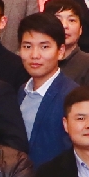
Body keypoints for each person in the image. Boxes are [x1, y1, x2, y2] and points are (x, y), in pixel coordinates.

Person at [14, 14, 74, 166]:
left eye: (44, 47)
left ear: (60, 51)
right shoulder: (21, 92)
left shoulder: (72, 95)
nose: (35, 55)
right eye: (27, 46)